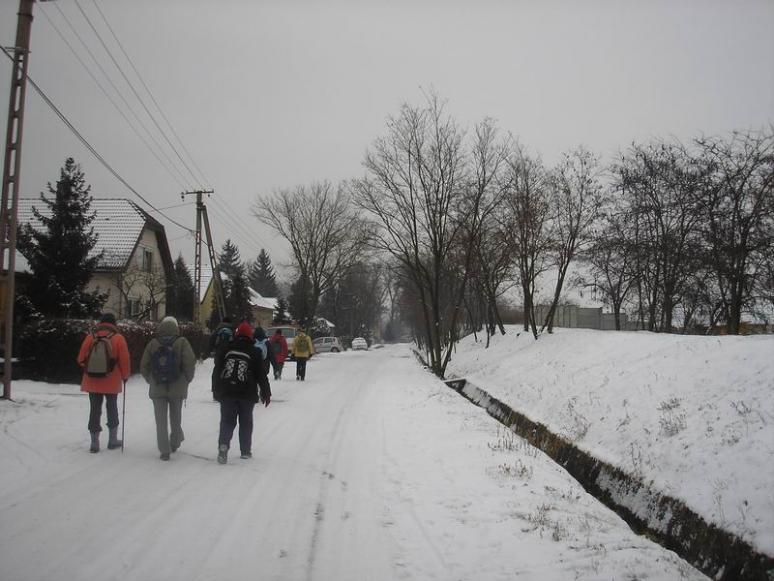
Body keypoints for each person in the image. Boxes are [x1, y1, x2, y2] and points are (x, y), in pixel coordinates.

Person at [213, 321, 271, 464]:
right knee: (246, 422)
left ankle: (223, 445)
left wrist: (216, 390)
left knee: (227, 421)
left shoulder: (227, 349)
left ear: (237, 334)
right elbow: (261, 375)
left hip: (227, 392)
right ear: (250, 336)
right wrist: (266, 393)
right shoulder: (255, 352)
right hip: (247, 394)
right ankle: (245, 451)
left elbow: (217, 371)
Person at [140, 316, 197, 461]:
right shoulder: (182, 342)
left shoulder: (153, 343)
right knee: (175, 417)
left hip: (157, 387)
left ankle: (164, 450)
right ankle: (175, 442)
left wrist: (150, 379)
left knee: (160, 421)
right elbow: (190, 362)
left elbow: (144, 365)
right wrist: (186, 380)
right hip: (177, 387)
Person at [76, 313, 131, 453]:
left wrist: (91, 369)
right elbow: (124, 360)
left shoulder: (90, 337)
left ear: (101, 323)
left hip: (92, 381)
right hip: (111, 381)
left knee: (94, 410)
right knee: (112, 408)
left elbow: (80, 359)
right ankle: (112, 440)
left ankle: (94, 443)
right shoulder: (118, 338)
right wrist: (125, 376)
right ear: (114, 324)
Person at [206, 316, 234, 399]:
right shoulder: (232, 330)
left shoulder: (217, 330)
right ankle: (228, 391)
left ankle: (215, 392)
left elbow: (211, 342)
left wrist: (206, 354)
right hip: (230, 354)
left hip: (219, 354)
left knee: (217, 371)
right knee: (229, 371)